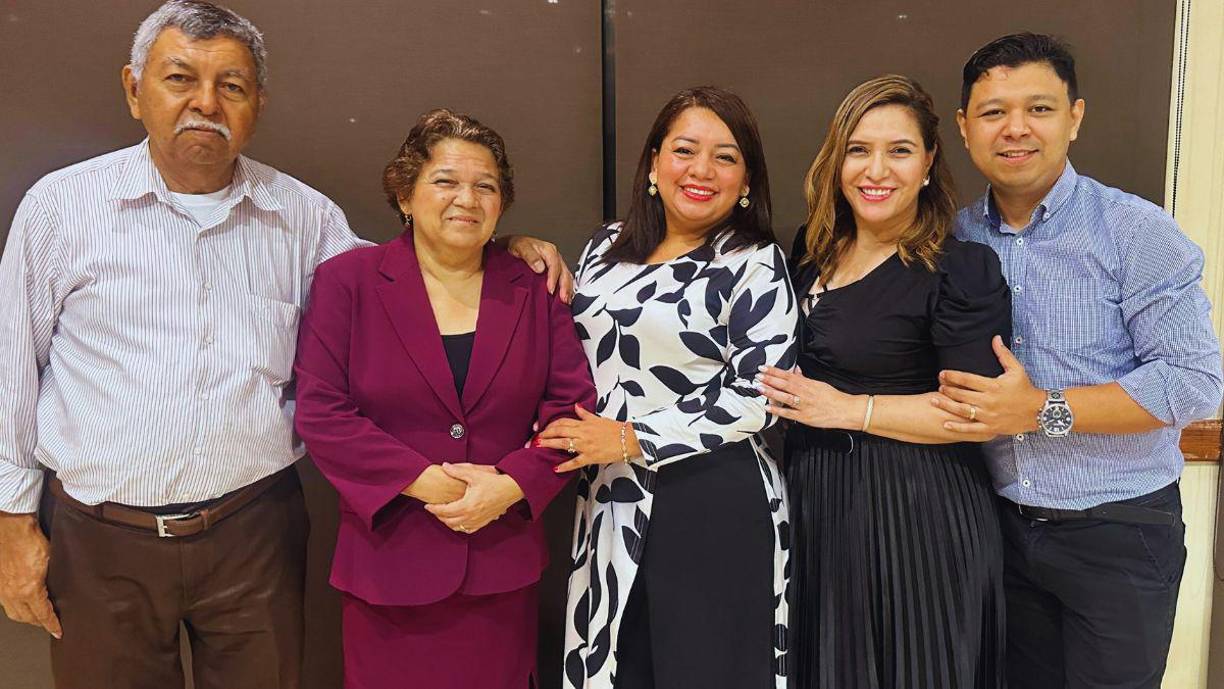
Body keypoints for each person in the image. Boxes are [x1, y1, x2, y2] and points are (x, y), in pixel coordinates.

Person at [0, 2, 568, 687]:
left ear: (258, 103)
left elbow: (414, 276)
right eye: (180, 78)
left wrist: (499, 246)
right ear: (133, 88)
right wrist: (12, 523)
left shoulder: (302, 216)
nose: (205, 103)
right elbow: (11, 369)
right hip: (100, 538)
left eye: (232, 86)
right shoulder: (62, 207)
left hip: (253, 535)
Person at [927, 33, 1223, 689]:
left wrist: (1040, 410)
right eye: (994, 111)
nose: (1016, 129)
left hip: (1118, 531)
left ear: (1075, 117)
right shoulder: (953, 238)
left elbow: (1194, 383)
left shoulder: (1134, 231)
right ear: (965, 129)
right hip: (1000, 531)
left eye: (1039, 108)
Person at [293, 108, 595, 689]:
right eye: (446, 181)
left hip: (500, 566)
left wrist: (509, 485)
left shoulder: (534, 287)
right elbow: (322, 414)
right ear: (405, 194)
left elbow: (570, 410)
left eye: (486, 186)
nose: (467, 198)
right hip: (388, 570)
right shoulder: (347, 282)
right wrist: (435, 483)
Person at [755, 75, 1011, 688]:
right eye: (858, 149)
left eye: (899, 150)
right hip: (817, 502)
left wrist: (849, 410)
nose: (877, 169)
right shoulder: (812, 251)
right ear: (836, 160)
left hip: (917, 515)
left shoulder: (959, 269)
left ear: (928, 162)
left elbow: (973, 413)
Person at [543, 86, 797, 689]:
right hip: (609, 495)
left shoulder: (754, 261)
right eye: (685, 149)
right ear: (655, 161)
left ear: (748, 179)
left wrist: (632, 437)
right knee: (620, 664)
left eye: (726, 156)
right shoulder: (606, 247)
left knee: (705, 667)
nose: (701, 170)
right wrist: (518, 248)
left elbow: (761, 394)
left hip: (712, 495)